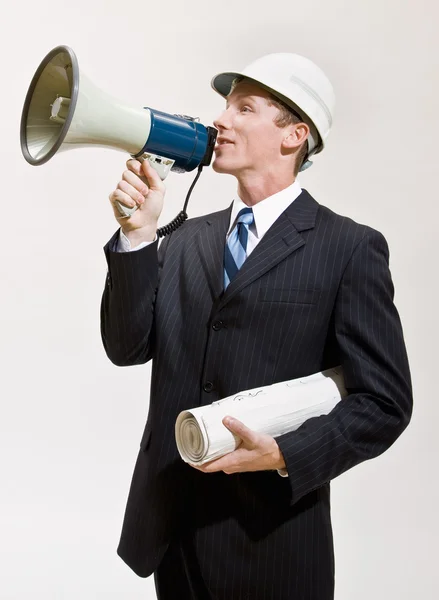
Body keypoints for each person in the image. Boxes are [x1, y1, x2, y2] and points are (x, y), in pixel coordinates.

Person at [101, 53, 412, 599]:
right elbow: (127, 347)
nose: (221, 121)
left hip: (272, 541)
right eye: (224, 107)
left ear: (295, 135)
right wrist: (139, 236)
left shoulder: (347, 247)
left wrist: (286, 454)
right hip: (173, 532)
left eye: (244, 108)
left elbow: (384, 403)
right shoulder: (185, 240)